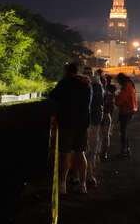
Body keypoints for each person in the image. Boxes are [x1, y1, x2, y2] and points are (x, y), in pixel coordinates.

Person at [50, 62, 92, 194]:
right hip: (82, 123)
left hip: (66, 123)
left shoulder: (64, 83)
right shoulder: (86, 84)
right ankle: (83, 184)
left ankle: (62, 184)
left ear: (67, 71)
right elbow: (88, 104)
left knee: (65, 153)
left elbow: (53, 96)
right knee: (80, 153)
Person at [84, 67, 104, 186]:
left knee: (87, 150)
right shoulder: (99, 85)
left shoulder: (89, 86)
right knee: (91, 150)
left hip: (89, 121)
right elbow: (101, 103)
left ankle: (86, 175)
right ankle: (89, 174)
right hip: (94, 120)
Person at [115, 73, 138, 159]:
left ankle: (124, 151)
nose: (118, 83)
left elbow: (120, 101)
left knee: (123, 132)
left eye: (118, 81)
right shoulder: (129, 84)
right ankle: (126, 150)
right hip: (130, 109)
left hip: (127, 110)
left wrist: (116, 97)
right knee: (124, 131)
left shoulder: (127, 87)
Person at [101, 75, 117, 160]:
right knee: (106, 135)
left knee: (98, 135)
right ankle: (104, 153)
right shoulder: (110, 93)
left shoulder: (97, 92)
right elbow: (112, 106)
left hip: (99, 116)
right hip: (107, 115)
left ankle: (97, 154)